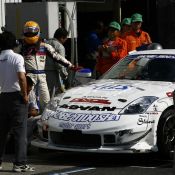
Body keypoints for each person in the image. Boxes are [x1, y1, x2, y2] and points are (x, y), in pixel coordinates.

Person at [19, 21, 74, 112]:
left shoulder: (44, 46)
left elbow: (57, 56)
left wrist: (70, 65)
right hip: (29, 78)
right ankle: (30, 123)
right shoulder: (20, 47)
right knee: (31, 105)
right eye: (28, 32)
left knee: (47, 103)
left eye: (32, 31)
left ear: (38, 31)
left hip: (42, 77)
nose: (30, 33)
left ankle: (44, 123)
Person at [0, 31, 34, 172]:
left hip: (2, 97)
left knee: (1, 132)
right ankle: (19, 163)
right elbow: (21, 77)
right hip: (16, 98)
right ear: (13, 44)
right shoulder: (17, 58)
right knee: (20, 132)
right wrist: (25, 95)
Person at [46, 28, 69, 95]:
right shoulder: (59, 46)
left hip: (42, 73)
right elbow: (60, 64)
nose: (65, 41)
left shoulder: (45, 43)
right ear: (62, 38)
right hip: (53, 74)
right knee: (54, 95)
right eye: (65, 39)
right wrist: (65, 76)